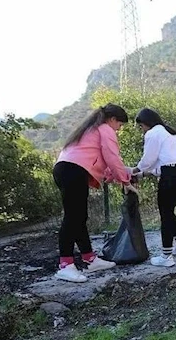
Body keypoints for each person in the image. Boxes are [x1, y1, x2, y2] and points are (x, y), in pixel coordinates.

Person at [52, 104, 135, 283]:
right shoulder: (105, 129)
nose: (119, 129)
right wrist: (125, 181)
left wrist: (119, 176)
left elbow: (101, 163)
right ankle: (65, 265)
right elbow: (112, 157)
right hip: (72, 171)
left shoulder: (91, 129)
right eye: (119, 125)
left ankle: (89, 259)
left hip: (67, 169)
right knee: (73, 217)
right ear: (112, 120)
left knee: (79, 216)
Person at [131, 108, 176, 267]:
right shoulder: (170, 133)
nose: (142, 130)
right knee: (169, 212)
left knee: (165, 214)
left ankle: (166, 256)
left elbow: (148, 160)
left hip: (170, 177)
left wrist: (135, 170)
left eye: (141, 126)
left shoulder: (152, 133)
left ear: (146, 123)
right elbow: (161, 164)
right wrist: (143, 173)